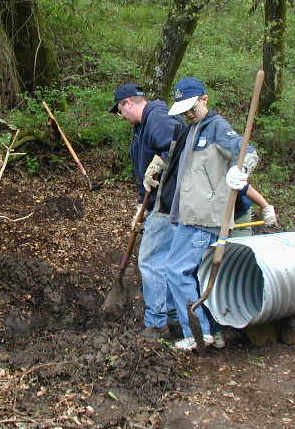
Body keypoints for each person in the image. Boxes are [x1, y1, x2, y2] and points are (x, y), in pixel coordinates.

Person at [156, 77, 259, 351]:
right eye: (184, 109)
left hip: (204, 217)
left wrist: (242, 170)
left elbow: (246, 151)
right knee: (195, 273)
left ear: (204, 99)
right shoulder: (192, 129)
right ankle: (213, 330)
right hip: (188, 215)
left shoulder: (216, 127)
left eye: (192, 107)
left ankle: (197, 333)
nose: (189, 113)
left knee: (176, 270)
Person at [109, 83, 183, 340]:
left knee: (151, 261)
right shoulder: (142, 127)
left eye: (120, 111)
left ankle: (157, 322)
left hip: (167, 203)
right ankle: (173, 317)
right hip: (158, 203)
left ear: (128, 103)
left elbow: (177, 144)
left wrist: (162, 159)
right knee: (165, 261)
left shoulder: (158, 117)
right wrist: (142, 206)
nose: (122, 117)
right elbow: (146, 173)